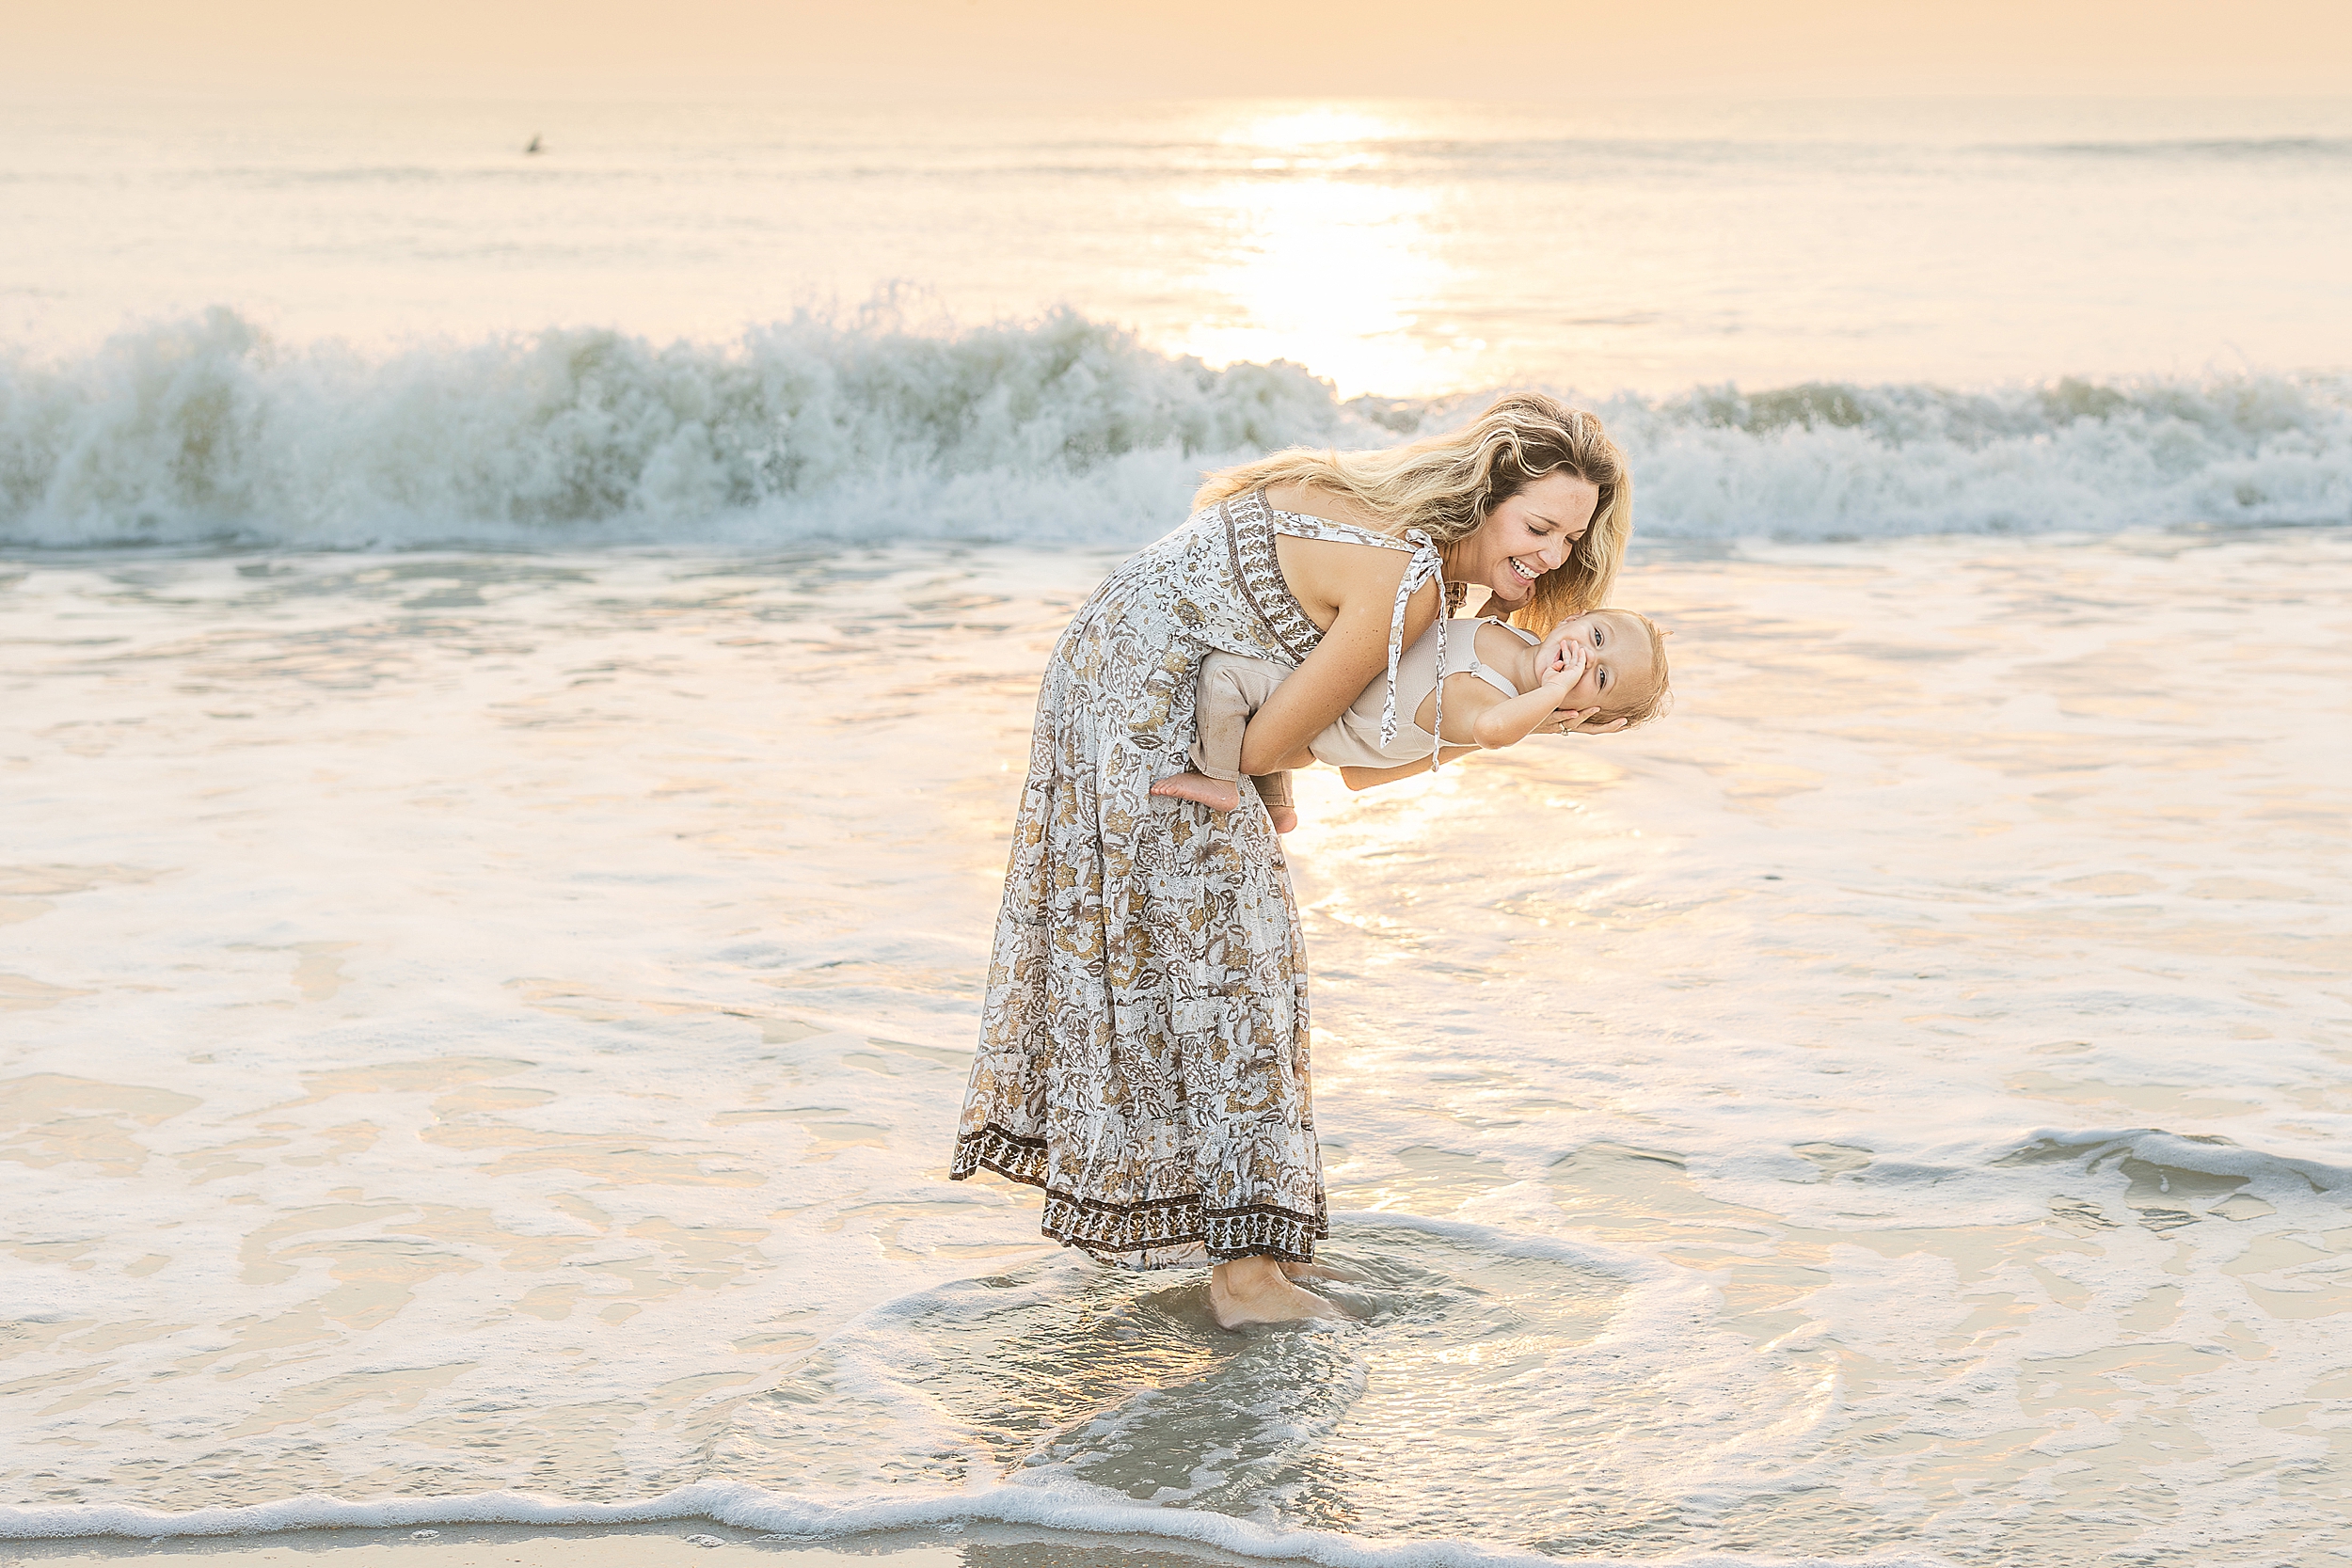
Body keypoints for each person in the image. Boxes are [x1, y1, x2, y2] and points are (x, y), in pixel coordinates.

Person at [947, 393, 1633, 1328]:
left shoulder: (1392, 524)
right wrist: (1484, 730)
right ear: (1485, 495)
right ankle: (1245, 1281)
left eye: (1568, 540)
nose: (1552, 557)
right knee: (1244, 971)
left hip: (1119, 664)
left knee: (1227, 960)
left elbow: (1337, 744)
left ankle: (1243, 1250)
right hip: (1149, 699)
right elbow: (1277, 745)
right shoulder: (1410, 581)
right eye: (1537, 526)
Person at [1150, 606, 1672, 833]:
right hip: (1349, 685)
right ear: (1574, 619)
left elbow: (1495, 732)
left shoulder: (1497, 703)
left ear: (1581, 706)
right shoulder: (1523, 646)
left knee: (1223, 676)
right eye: (1596, 638)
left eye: (1599, 677)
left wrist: (1557, 698)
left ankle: (1218, 780)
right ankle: (1278, 803)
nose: (1584, 659)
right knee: (1272, 675)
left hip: (1337, 721)